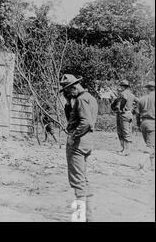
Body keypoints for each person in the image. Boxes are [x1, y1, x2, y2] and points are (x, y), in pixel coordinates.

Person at [60, 74, 98, 222]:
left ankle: (80, 218)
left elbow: (86, 122)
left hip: (78, 143)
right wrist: (68, 103)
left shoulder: (81, 100)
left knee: (77, 181)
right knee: (83, 179)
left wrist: (73, 136)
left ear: (74, 87)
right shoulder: (90, 98)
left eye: (68, 91)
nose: (67, 94)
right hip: (87, 142)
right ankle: (88, 217)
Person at [111, 80, 136, 156]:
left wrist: (121, 108)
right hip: (128, 113)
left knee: (124, 131)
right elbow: (138, 102)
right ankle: (124, 149)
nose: (120, 88)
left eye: (121, 86)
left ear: (123, 86)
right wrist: (133, 110)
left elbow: (124, 99)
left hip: (123, 114)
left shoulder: (123, 93)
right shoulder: (132, 95)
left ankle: (126, 150)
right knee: (125, 131)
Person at [136, 81, 155, 171]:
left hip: (144, 123)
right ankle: (142, 162)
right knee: (150, 145)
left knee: (150, 144)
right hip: (153, 123)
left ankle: (152, 165)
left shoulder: (141, 99)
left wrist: (138, 124)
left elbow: (137, 113)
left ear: (148, 88)